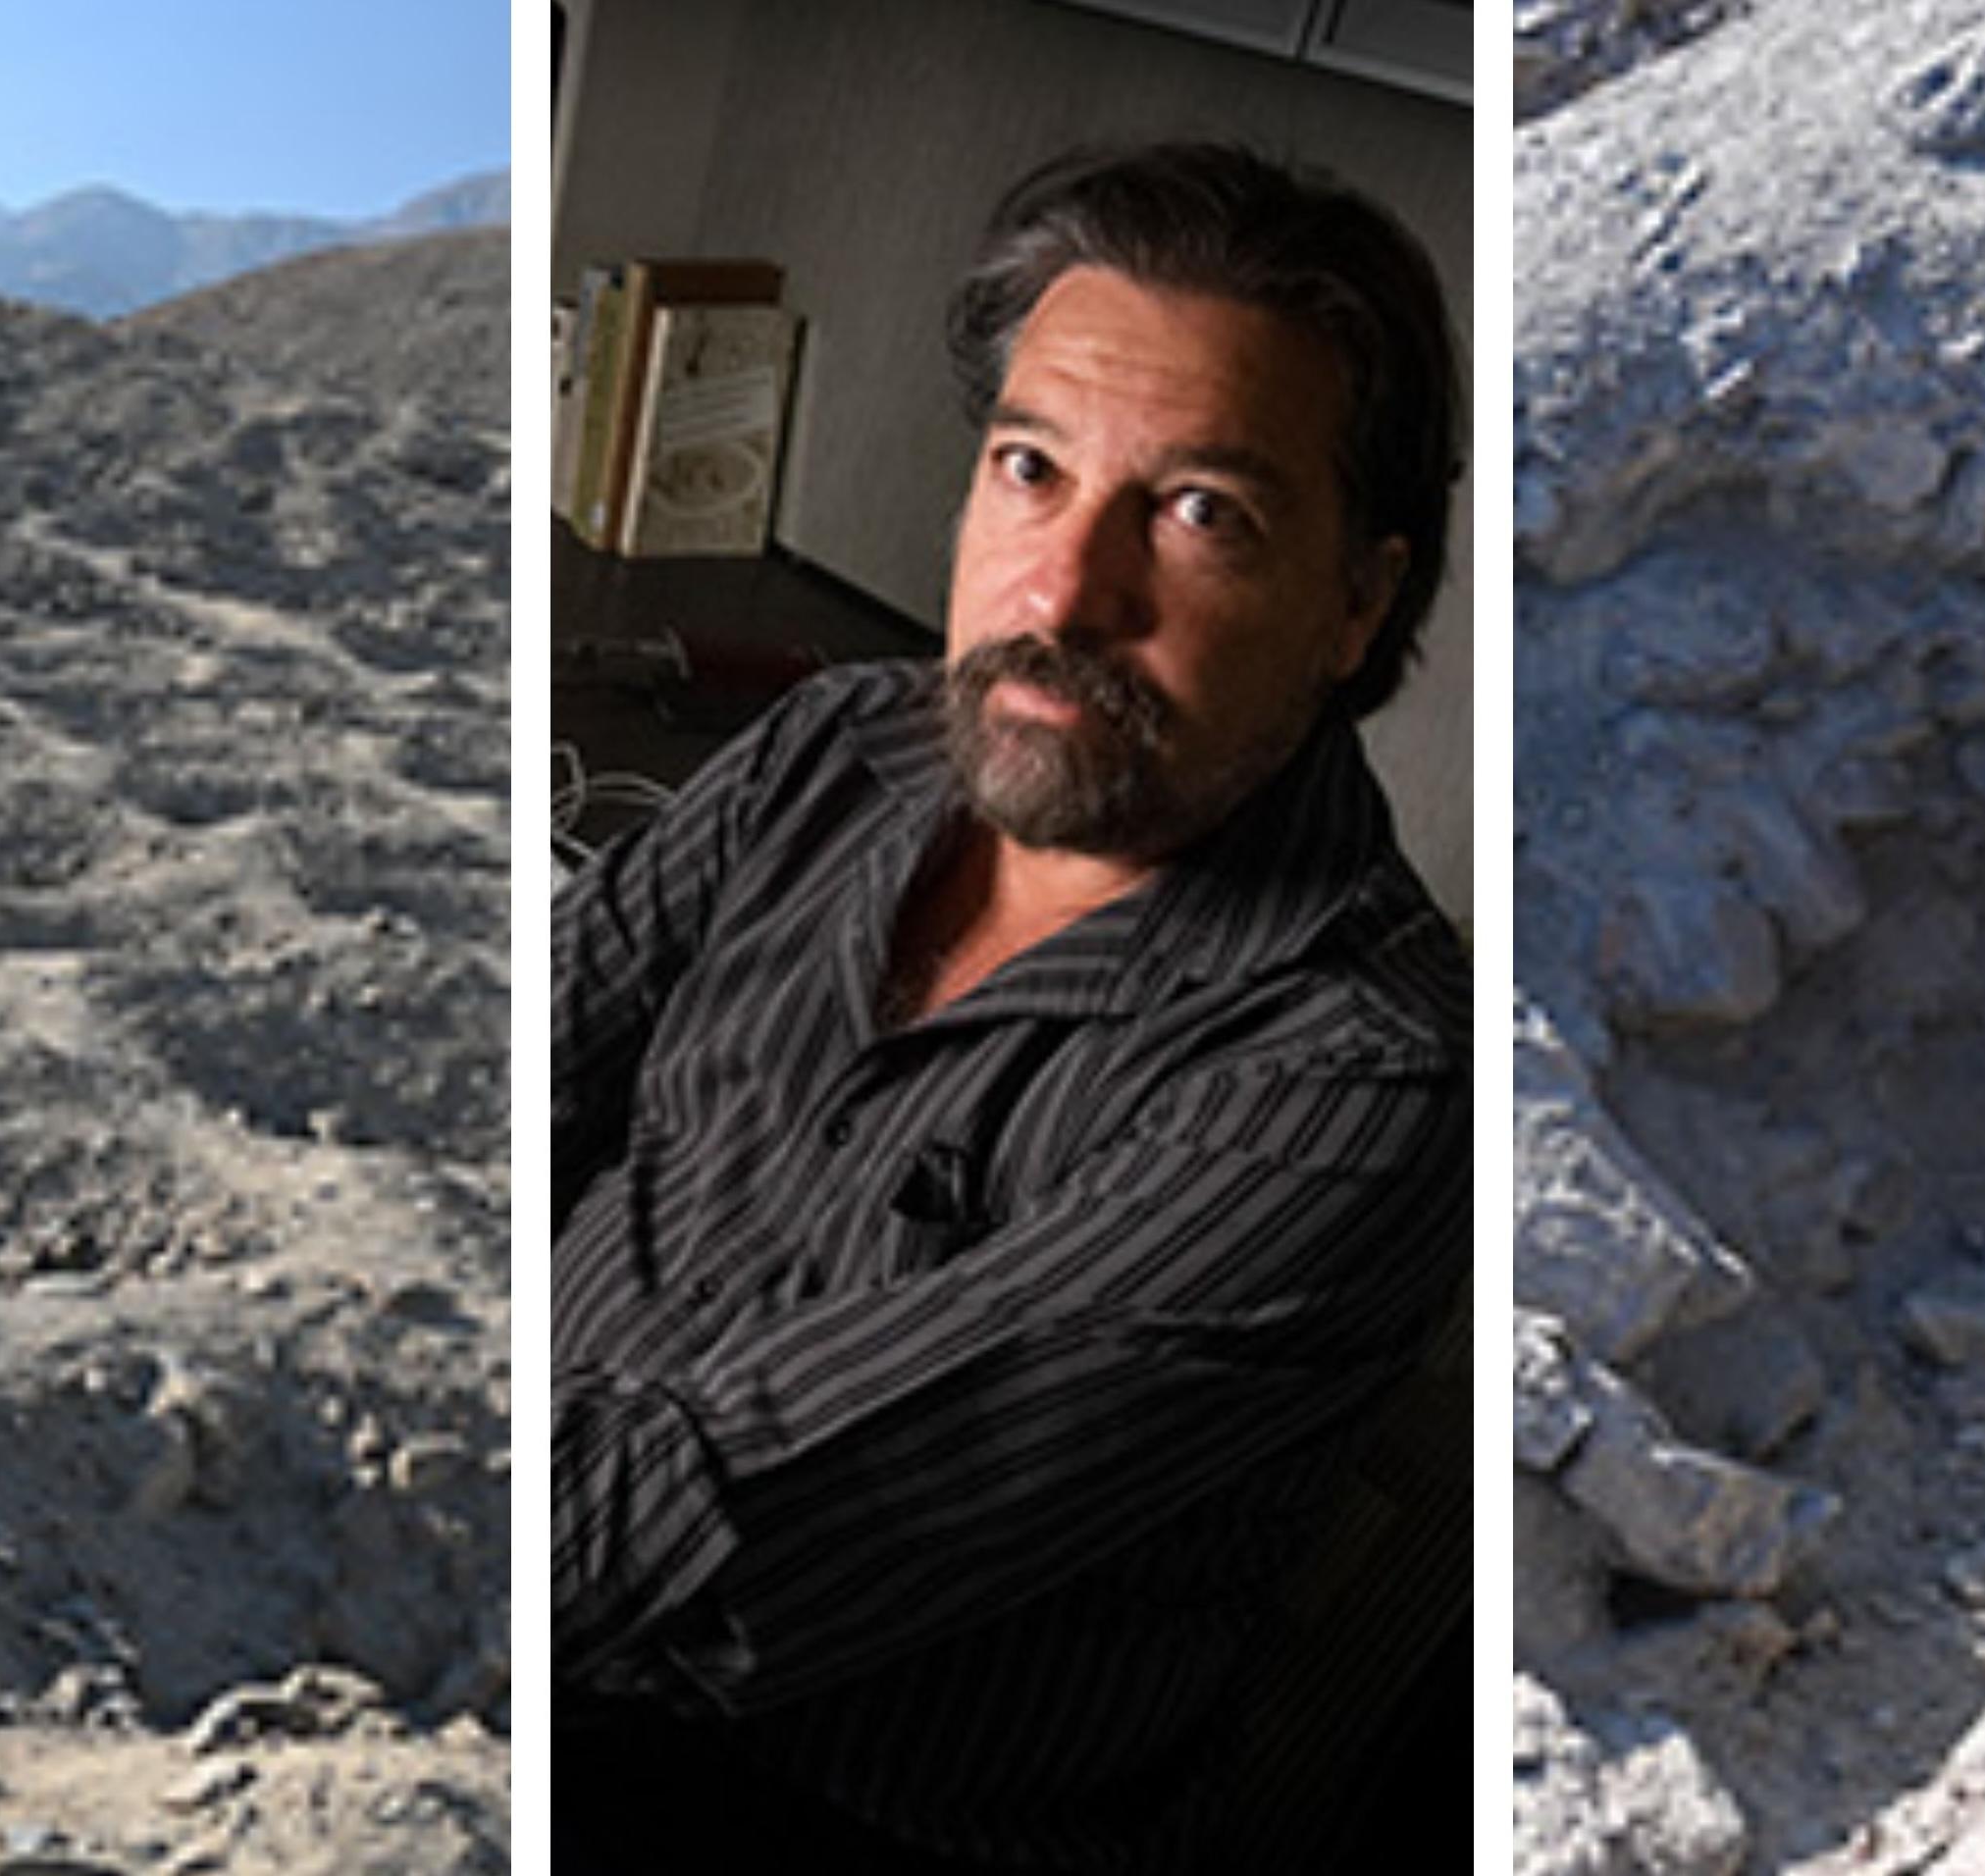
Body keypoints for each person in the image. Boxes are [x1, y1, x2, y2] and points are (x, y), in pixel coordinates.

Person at [551, 140, 1467, 1874]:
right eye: (1030, 470)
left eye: (1201, 513)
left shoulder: (1361, 1080)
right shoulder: (847, 749)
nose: (1063, 595)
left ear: (1357, 601)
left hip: (787, 1796)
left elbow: (711, 1538)